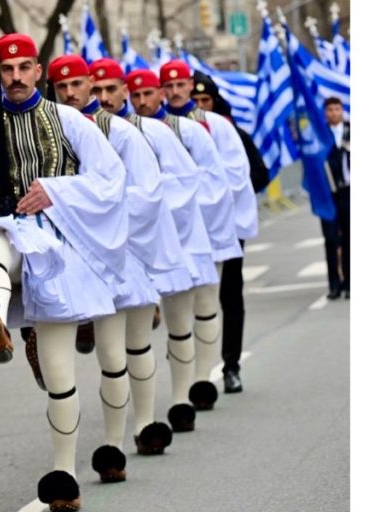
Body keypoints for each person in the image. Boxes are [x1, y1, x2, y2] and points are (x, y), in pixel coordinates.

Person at [0, 34, 131, 510]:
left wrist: (57, 191)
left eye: (23, 69)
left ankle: (64, 477)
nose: (14, 78)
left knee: (60, 375)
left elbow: (110, 180)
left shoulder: (71, 122)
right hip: (9, 233)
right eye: (6, 70)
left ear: (39, 72)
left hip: (60, 247)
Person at [49, 55, 182, 464]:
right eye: (61, 87)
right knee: (107, 353)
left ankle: (143, 425)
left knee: (135, 345)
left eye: (79, 85)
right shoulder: (50, 133)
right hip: (81, 258)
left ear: (91, 83)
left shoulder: (119, 130)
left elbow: (148, 192)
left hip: (126, 251)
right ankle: (113, 442)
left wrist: (98, 212)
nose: (71, 94)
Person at [127, 68, 242, 430]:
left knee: (203, 306)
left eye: (151, 93)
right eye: (137, 94)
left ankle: (201, 378)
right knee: (171, 315)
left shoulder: (196, 129)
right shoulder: (128, 133)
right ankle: (180, 390)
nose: (144, 101)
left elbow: (215, 180)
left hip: (196, 230)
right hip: (152, 234)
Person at [161, 60, 257, 403]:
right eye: (167, 86)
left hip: (214, 227)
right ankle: (188, 371)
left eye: (180, 85)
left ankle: (226, 367)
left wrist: (191, 201)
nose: (174, 92)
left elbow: (232, 174)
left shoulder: (216, 126)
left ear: (189, 85)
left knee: (219, 300)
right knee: (179, 304)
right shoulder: (154, 126)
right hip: (174, 232)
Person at [191, 70, 270, 393]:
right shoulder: (175, 134)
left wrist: (226, 196)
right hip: (192, 231)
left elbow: (260, 174)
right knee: (194, 301)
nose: (199, 107)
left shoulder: (231, 134)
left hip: (228, 229)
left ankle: (231, 365)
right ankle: (196, 370)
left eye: (205, 100)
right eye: (194, 101)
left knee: (230, 297)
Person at [322, 96, 350, 300]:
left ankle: (349, 281)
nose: (334, 113)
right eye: (330, 110)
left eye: (337, 109)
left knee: (349, 237)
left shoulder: (351, 131)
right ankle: (334, 283)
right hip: (327, 193)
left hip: (349, 191)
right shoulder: (319, 134)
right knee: (331, 239)